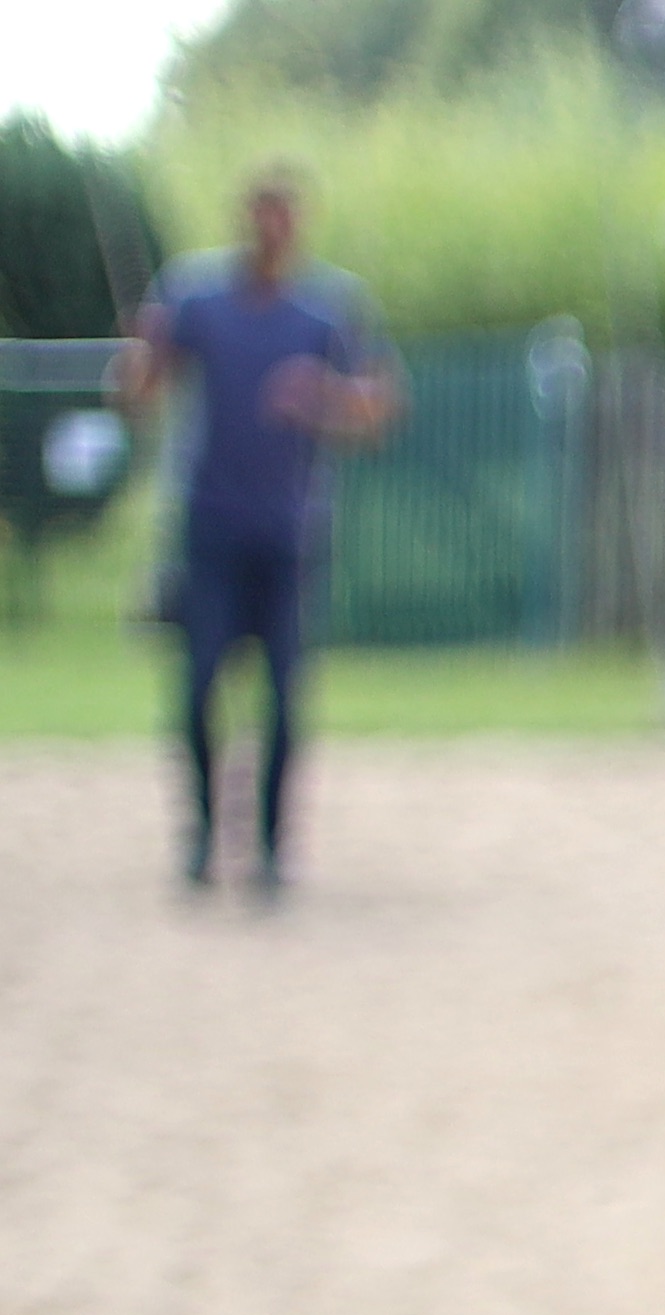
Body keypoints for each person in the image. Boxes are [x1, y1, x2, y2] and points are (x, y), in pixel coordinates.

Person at [116, 163, 395, 898]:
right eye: (262, 214)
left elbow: (378, 409)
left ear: (299, 223)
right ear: (244, 219)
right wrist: (137, 360)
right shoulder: (194, 297)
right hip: (209, 526)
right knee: (200, 682)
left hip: (290, 532)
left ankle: (271, 848)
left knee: (283, 692)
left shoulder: (328, 308)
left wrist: (327, 396)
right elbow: (140, 393)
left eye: (285, 215)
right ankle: (206, 836)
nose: (272, 229)